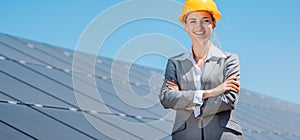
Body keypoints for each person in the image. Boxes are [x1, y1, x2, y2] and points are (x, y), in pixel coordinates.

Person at [159, 0, 243, 139]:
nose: (199, 26)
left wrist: (185, 101)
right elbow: (167, 99)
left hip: (223, 135)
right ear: (185, 26)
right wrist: (211, 92)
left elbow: (228, 99)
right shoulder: (175, 63)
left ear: (213, 24)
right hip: (186, 135)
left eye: (205, 20)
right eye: (193, 21)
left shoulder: (229, 60)